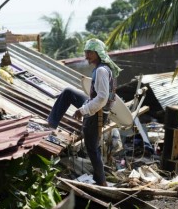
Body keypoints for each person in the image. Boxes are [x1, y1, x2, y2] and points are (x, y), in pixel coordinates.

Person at [47, 38, 122, 186]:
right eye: (85, 52)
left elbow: (102, 97)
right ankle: (51, 124)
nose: (86, 56)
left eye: (89, 53)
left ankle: (101, 182)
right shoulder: (103, 68)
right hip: (95, 107)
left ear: (97, 53)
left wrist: (83, 110)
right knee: (68, 92)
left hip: (96, 112)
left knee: (92, 149)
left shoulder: (101, 70)